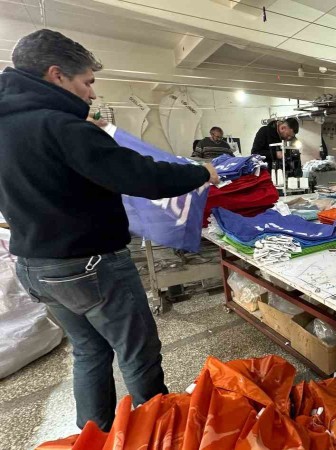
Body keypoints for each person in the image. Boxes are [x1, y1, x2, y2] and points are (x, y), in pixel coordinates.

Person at [0, 29, 220, 432]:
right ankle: (158, 434)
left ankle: (92, 436)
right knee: (139, 354)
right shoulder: (61, 126)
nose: (92, 93)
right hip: (89, 265)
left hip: (34, 264)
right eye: (87, 82)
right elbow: (141, 176)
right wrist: (200, 172)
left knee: (89, 351)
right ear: (57, 75)